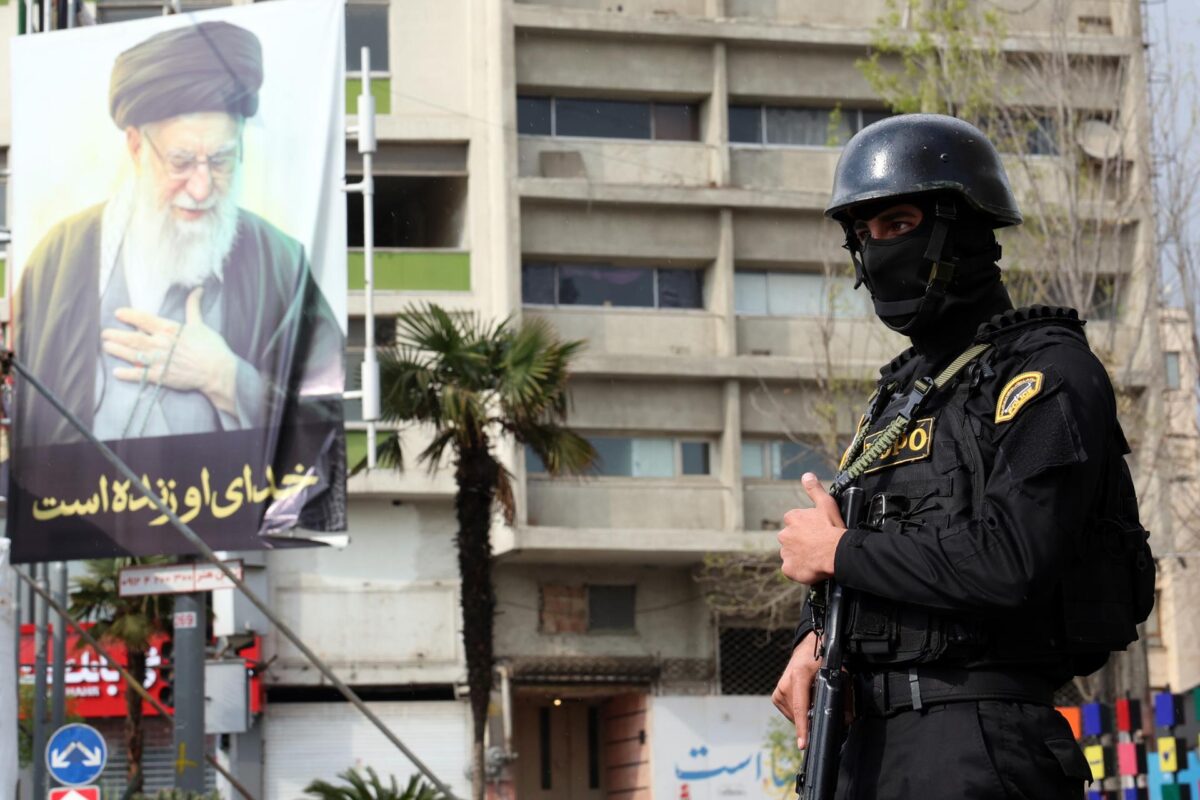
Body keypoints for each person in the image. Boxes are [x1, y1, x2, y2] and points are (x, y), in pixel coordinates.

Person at [773, 114, 1153, 799]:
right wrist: (813, 639)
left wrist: (838, 552)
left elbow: (1011, 561)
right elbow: (869, 545)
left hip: (980, 738)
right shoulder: (899, 397)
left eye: (897, 224)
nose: (877, 250)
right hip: (865, 744)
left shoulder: (1045, 373)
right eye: (863, 234)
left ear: (965, 226)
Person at [14, 20, 343, 446]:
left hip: (222, 491)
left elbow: (326, 418)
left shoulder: (280, 264)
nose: (202, 188)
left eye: (221, 161)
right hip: (87, 493)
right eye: (181, 162)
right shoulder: (58, 259)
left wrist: (226, 378)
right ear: (136, 146)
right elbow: (23, 414)